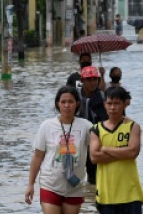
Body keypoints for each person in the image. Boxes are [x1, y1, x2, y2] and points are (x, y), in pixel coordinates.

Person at [25, 86, 93, 214]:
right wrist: (30, 184)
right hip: (50, 184)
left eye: (71, 102)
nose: (67, 105)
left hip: (75, 186)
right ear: (58, 104)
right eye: (63, 102)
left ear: (77, 103)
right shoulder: (47, 126)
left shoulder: (86, 126)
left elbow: (98, 150)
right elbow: (38, 156)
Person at [89, 86, 143, 214]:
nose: (113, 107)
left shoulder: (133, 126)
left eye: (117, 103)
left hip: (131, 194)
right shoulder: (96, 129)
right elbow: (94, 157)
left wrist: (105, 149)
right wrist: (122, 152)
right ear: (104, 104)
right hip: (106, 195)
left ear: (124, 104)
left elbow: (133, 153)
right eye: (109, 103)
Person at [77, 66, 108, 185]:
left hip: (97, 139)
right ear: (82, 80)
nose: (92, 83)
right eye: (88, 79)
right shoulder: (76, 96)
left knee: (95, 173)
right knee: (73, 173)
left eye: (95, 79)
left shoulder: (103, 97)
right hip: (78, 139)